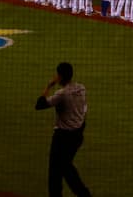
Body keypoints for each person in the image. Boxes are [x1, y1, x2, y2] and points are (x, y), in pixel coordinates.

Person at [35, 61, 92, 197]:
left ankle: (83, 194)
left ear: (59, 77)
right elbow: (84, 110)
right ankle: (84, 194)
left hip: (62, 138)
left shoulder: (62, 94)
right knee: (65, 166)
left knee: (57, 170)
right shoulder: (81, 88)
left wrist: (49, 86)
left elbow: (39, 105)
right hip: (78, 136)